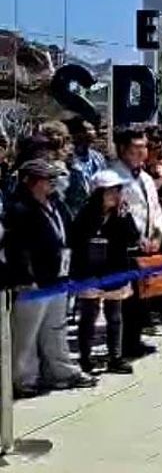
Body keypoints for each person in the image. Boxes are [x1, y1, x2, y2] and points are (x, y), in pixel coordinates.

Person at [6, 159, 98, 398]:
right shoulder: (19, 209)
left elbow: (69, 236)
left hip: (58, 277)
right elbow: (17, 247)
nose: (52, 183)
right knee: (26, 334)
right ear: (30, 182)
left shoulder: (57, 204)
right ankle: (24, 379)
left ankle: (60, 371)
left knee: (56, 328)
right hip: (34, 282)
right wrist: (25, 275)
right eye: (46, 179)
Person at [70, 169, 140, 375]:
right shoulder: (85, 214)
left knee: (114, 316)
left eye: (117, 190)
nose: (115, 195)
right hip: (89, 271)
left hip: (114, 270)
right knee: (88, 315)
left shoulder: (122, 214)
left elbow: (133, 238)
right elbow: (75, 239)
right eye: (110, 191)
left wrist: (124, 217)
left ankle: (115, 357)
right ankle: (85, 357)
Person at [109, 128, 162, 358]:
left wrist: (157, 235)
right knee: (125, 301)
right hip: (124, 247)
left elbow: (155, 209)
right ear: (123, 149)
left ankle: (135, 340)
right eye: (137, 147)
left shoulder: (146, 178)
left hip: (148, 246)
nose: (143, 152)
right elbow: (116, 214)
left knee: (142, 298)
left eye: (144, 147)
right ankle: (121, 347)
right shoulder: (112, 176)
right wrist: (136, 238)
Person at [64, 120, 109, 215]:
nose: (93, 132)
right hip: (74, 212)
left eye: (93, 129)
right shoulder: (68, 160)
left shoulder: (98, 157)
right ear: (77, 134)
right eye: (88, 129)